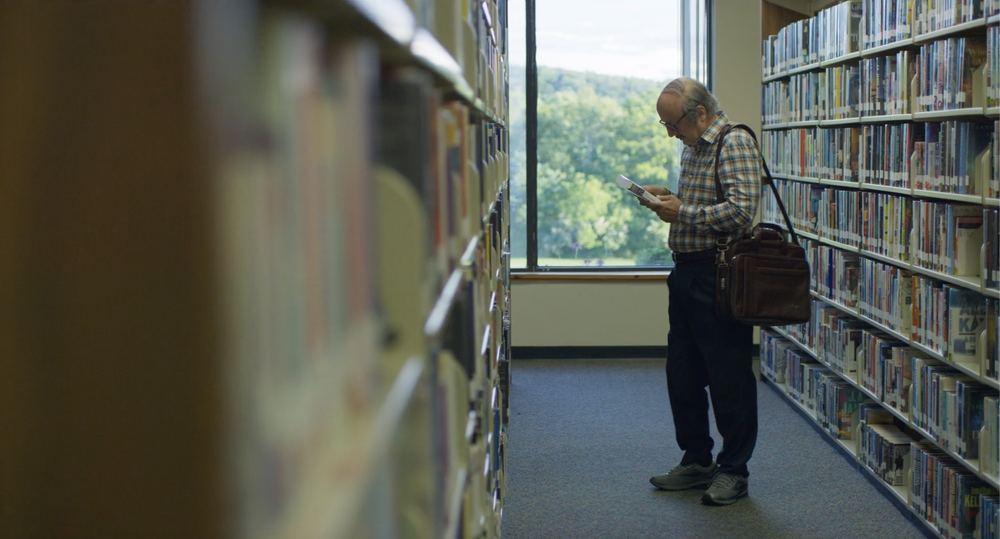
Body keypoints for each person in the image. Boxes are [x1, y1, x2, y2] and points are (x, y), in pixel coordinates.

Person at [638, 77, 761, 506]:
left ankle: (734, 470)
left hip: (718, 276)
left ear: (700, 114)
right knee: (683, 373)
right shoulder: (695, 146)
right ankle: (696, 460)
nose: (671, 133)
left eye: (673, 124)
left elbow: (742, 212)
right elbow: (705, 205)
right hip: (686, 273)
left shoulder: (734, 142)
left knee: (728, 377)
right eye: (665, 125)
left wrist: (682, 210)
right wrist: (667, 200)